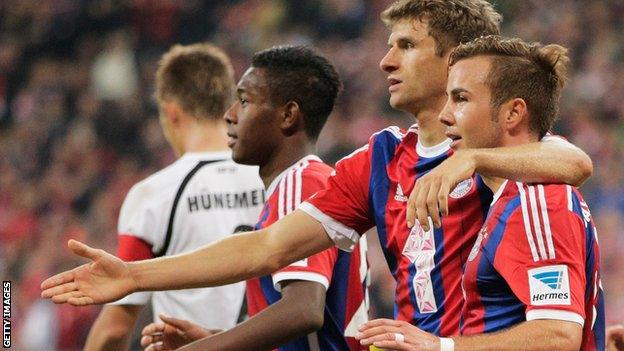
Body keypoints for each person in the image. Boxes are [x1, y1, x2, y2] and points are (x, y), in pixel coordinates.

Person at [41, 0, 593, 339]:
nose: (385, 61)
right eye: (387, 45)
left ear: (454, 61)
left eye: (405, 45)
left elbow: (572, 162)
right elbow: (266, 249)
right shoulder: (380, 159)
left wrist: (471, 158)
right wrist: (135, 275)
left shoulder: (499, 146)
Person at [356, 35, 605, 351]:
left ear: (513, 114)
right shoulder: (504, 198)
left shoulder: (537, 199)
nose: (445, 114)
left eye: (460, 98)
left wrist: (439, 346)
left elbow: (557, 335)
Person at [139, 45, 368, 351]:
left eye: (244, 101)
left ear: (287, 115)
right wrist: (212, 338)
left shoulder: (302, 185)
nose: (230, 115)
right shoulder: (304, 186)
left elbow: (304, 311)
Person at [83, 43, 265, 351]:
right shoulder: (273, 176)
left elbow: (114, 329)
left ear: (171, 112)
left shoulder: (154, 194)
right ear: (229, 104)